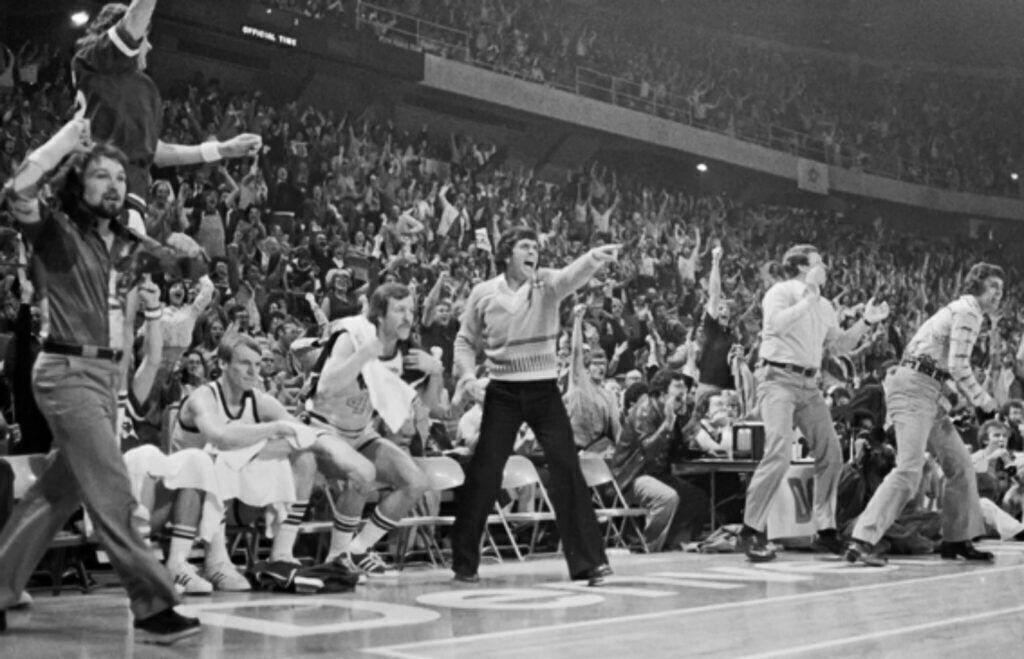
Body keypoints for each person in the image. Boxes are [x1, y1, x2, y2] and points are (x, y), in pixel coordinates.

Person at [0, 118, 197, 644]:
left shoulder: (126, 244)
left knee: (57, 493)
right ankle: (153, 605)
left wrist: (182, 254)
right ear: (78, 185)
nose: (113, 185)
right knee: (111, 488)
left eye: (118, 178)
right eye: (100, 176)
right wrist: (68, 137)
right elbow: (18, 187)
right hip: (66, 373)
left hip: (105, 376)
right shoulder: (55, 231)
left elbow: (186, 267)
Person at [450, 227, 619, 585]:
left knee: (567, 468)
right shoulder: (483, 294)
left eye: (536, 249)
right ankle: (464, 563)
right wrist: (466, 376)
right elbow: (465, 340)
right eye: (525, 247)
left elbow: (571, 276)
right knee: (484, 473)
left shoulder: (546, 285)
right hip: (502, 392)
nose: (534, 254)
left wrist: (592, 258)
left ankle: (589, 563)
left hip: (543, 391)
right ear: (506, 253)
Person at [174, 334, 375, 591]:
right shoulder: (203, 397)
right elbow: (220, 436)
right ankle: (215, 561)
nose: (252, 371)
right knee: (214, 458)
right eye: (244, 363)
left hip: (233, 498)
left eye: (257, 365)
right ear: (223, 364)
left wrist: (349, 460)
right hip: (184, 497)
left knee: (303, 457)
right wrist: (274, 431)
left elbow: (305, 435)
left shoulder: (259, 400)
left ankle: (281, 555)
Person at [845, 263, 1004, 566]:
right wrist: (984, 401)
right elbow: (959, 365)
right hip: (916, 390)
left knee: (960, 465)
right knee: (909, 469)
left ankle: (957, 538)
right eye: (993, 286)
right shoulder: (969, 311)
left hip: (926, 389)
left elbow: (937, 362)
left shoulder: (961, 310)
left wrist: (949, 393)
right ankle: (862, 538)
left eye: (1002, 288)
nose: (999, 293)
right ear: (977, 285)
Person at [738, 244, 890, 562]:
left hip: (810, 384)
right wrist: (807, 299)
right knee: (778, 451)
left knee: (831, 454)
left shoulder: (823, 305)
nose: (824, 266)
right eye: (817, 261)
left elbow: (838, 345)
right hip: (777, 377)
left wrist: (865, 322)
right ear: (800, 266)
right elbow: (775, 326)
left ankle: (826, 531)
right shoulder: (780, 292)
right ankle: (750, 531)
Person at [72, 0, 261, 224]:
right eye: (146, 37)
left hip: (132, 203)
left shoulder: (146, 90)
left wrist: (221, 149)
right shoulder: (95, 61)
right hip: (99, 193)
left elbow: (158, 153)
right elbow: (133, 20)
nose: (149, 46)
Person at [302, 283, 441, 577]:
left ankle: (358, 549)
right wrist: (364, 355)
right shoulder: (351, 337)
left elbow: (425, 410)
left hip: (361, 433)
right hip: (322, 428)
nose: (408, 317)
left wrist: (436, 373)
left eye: (412, 310)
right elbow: (325, 390)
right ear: (379, 314)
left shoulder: (407, 349)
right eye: (400, 310)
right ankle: (337, 558)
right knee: (362, 473)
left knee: (415, 481)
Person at [610, 368, 710, 551]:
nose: (681, 402)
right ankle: (647, 545)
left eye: (683, 396)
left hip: (656, 474)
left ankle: (676, 543)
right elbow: (647, 450)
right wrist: (667, 425)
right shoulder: (644, 410)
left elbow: (674, 449)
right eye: (677, 397)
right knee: (667, 497)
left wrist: (693, 421)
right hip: (631, 476)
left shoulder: (669, 411)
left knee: (697, 497)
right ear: (662, 395)